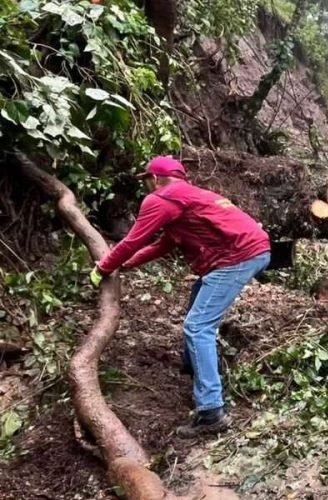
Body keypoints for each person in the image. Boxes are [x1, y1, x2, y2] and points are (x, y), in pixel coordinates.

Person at [91, 156, 271, 437]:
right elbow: (164, 244)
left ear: (156, 179)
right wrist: (127, 263)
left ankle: (210, 412)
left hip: (237, 257)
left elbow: (134, 240)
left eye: (147, 181)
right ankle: (196, 369)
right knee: (198, 300)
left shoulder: (161, 198)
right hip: (252, 250)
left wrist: (103, 268)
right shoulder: (189, 196)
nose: (146, 186)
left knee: (198, 326)